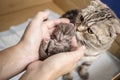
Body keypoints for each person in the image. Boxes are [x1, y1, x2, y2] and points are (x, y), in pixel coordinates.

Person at [0, 11, 85, 80]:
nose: (60, 38)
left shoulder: (67, 42)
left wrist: (25, 52)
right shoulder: (53, 37)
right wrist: (47, 72)